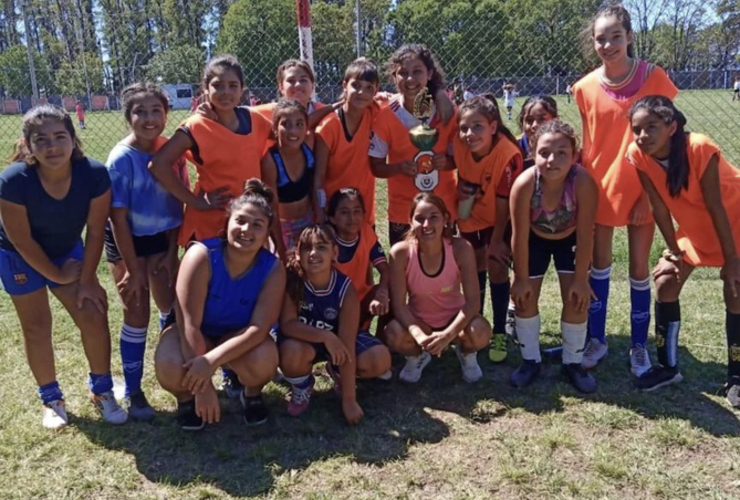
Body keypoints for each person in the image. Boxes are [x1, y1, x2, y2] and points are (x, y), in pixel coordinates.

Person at [0, 105, 127, 429]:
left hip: (66, 251)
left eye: (59, 137)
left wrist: (87, 280)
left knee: (93, 312)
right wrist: (56, 275)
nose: (52, 146)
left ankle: (101, 391)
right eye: (41, 140)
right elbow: (23, 242)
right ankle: (52, 398)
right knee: (36, 326)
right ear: (27, 145)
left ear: (73, 139)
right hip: (18, 255)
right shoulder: (13, 181)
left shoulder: (94, 174)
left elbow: (97, 230)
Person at [573, 3, 678, 375]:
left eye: (615, 36)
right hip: (600, 189)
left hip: (643, 190)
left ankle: (638, 346)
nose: (608, 44)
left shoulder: (654, 78)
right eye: (600, 38)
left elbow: (670, 140)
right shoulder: (584, 87)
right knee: (598, 265)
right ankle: (596, 340)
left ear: (629, 36)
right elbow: (588, 146)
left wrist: (650, 198)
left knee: (638, 268)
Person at [626, 96, 740, 405]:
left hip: (734, 225)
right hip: (695, 231)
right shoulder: (638, 155)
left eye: (651, 127)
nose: (642, 136)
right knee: (665, 281)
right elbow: (659, 207)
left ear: (672, 127)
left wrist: (732, 262)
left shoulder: (699, 148)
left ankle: (737, 376)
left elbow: (716, 207)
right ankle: (667, 367)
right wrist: (674, 250)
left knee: (735, 290)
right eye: (636, 129)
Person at [154, 180, 285, 430]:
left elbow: (258, 328)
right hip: (194, 333)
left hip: (235, 334)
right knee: (169, 363)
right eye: (240, 221)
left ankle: (252, 394)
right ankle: (186, 400)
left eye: (257, 225)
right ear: (226, 224)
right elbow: (188, 322)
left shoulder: (273, 268)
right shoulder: (201, 255)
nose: (247, 230)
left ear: (267, 234)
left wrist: (210, 362)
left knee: (265, 359)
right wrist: (203, 386)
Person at [104, 82, 189, 421]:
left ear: (166, 114)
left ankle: (173, 367)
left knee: (171, 305)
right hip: (128, 243)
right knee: (135, 311)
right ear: (128, 116)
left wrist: (171, 253)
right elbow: (118, 219)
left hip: (162, 239)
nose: (149, 118)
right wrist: (132, 268)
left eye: (156, 111)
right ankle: (135, 391)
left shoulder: (171, 150)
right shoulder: (121, 159)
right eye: (140, 111)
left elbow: (176, 204)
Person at [508, 120, 599, 392]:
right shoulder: (524, 184)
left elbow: (585, 235)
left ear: (574, 156)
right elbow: (519, 235)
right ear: (532, 154)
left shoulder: (582, 182)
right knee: (524, 297)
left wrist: (582, 280)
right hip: (534, 240)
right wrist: (520, 278)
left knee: (576, 297)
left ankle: (573, 362)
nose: (552, 159)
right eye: (544, 152)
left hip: (569, 240)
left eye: (562, 153)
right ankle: (530, 361)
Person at [149, 54, 272, 247]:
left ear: (242, 90)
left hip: (247, 222)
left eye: (233, 86)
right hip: (211, 223)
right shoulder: (196, 126)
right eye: (218, 85)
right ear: (205, 89)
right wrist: (196, 202)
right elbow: (158, 164)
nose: (226, 92)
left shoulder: (255, 119)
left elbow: (290, 121)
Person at [278, 224, 391, 423]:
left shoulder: (345, 289)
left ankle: (337, 371)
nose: (313, 253)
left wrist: (349, 400)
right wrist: (325, 336)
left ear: (334, 252)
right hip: (307, 341)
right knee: (291, 353)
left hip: (339, 344)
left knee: (379, 360)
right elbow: (288, 324)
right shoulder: (293, 281)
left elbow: (347, 342)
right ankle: (302, 385)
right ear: (297, 253)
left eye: (321, 247)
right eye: (306, 248)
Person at [383, 193, 492, 383]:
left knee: (481, 332)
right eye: (419, 219)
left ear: (446, 219)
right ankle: (417, 356)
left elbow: (473, 302)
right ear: (410, 221)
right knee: (393, 333)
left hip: (455, 321)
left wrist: (447, 335)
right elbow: (399, 306)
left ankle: (466, 354)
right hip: (419, 321)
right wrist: (419, 336)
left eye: (434, 217)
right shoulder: (400, 252)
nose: (427, 225)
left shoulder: (461, 248)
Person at [453, 94, 523, 363]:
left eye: (478, 126)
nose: (469, 134)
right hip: (471, 216)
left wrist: (497, 241)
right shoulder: (459, 145)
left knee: (496, 265)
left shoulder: (508, 153)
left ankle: (499, 332)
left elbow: (505, 205)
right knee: (474, 266)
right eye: (464, 128)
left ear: (493, 127)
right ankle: (475, 324)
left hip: (500, 219)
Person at [369, 43, 458, 246]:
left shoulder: (447, 112)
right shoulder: (385, 115)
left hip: (443, 207)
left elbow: (457, 159)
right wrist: (399, 167)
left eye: (417, 71)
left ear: (430, 73)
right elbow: (376, 166)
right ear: (394, 77)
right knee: (404, 268)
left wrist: (445, 162)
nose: (410, 79)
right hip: (403, 211)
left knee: (445, 268)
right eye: (403, 73)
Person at [315, 57, 382, 226]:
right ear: (344, 85)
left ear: (376, 91)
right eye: (356, 86)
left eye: (369, 88)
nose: (362, 92)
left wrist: (439, 94)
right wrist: (321, 213)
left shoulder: (375, 112)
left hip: (363, 212)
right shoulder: (328, 127)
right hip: (335, 214)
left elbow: (404, 98)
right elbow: (318, 179)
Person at [327, 188, 390, 329]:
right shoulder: (325, 240)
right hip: (331, 306)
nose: (352, 218)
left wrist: (382, 293)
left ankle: (380, 339)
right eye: (344, 212)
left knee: (392, 289)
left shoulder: (366, 232)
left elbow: (385, 269)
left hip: (360, 301)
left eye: (357, 211)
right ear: (332, 218)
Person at [261, 99, 317, 258]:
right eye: (286, 124)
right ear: (275, 128)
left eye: (299, 124)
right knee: (287, 273)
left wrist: (334, 105)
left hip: (309, 219)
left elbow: (315, 118)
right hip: (285, 227)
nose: (293, 131)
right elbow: (272, 209)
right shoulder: (271, 160)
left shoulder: (308, 144)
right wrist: (280, 246)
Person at [517, 95, 559, 170]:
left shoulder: (564, 146)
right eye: (529, 120)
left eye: (542, 119)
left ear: (556, 120)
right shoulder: (515, 147)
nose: (534, 125)